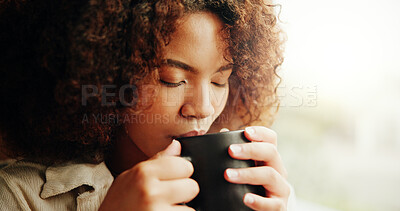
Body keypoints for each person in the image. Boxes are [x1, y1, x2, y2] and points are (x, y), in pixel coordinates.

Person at [0, 0, 294, 210]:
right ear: (107, 76)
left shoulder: (244, 191)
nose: (204, 108)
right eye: (172, 80)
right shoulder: (15, 195)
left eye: (220, 81)